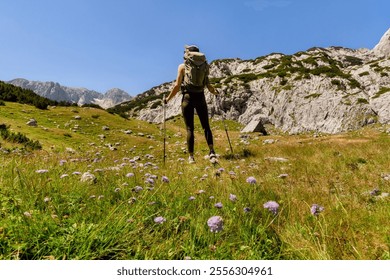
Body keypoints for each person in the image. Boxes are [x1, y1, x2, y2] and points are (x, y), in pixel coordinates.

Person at [164, 45, 219, 164]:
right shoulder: (205, 66)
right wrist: (215, 92)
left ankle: (191, 157)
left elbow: (177, 86)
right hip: (201, 97)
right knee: (206, 126)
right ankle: (212, 151)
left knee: (190, 129)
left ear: (188, 54)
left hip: (188, 98)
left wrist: (167, 99)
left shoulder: (183, 66)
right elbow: (208, 85)